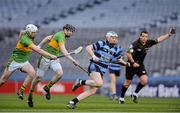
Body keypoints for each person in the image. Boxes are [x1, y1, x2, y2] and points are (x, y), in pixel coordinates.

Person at [67, 31, 130, 109]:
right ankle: (80, 82)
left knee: (93, 91)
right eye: (113, 38)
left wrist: (125, 63)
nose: (115, 39)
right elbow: (88, 48)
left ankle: (72, 102)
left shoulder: (116, 49)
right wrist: (93, 56)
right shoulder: (101, 43)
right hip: (94, 66)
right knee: (100, 83)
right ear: (108, 38)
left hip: (102, 70)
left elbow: (117, 60)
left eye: (116, 38)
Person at [118, 28, 176, 104]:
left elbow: (159, 39)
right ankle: (121, 98)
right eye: (143, 36)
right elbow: (128, 53)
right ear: (140, 37)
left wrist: (169, 34)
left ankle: (135, 93)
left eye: (146, 36)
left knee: (144, 80)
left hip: (140, 65)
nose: (145, 38)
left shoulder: (148, 43)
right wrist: (133, 62)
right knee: (128, 82)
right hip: (131, 65)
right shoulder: (134, 44)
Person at [0, 24, 57, 100]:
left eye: (36, 32)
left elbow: (21, 32)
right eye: (34, 32)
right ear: (29, 32)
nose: (35, 34)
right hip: (14, 61)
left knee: (32, 73)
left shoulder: (27, 34)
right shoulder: (25, 40)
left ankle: (21, 90)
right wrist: (51, 55)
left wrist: (21, 35)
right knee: (3, 80)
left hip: (24, 61)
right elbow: (38, 50)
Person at [27, 24, 79, 107]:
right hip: (45, 58)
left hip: (54, 59)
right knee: (38, 78)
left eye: (72, 32)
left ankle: (47, 87)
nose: (71, 33)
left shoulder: (60, 35)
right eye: (70, 31)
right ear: (65, 30)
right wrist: (73, 60)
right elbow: (63, 50)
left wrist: (39, 45)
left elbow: (48, 37)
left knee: (59, 73)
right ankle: (30, 95)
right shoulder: (61, 36)